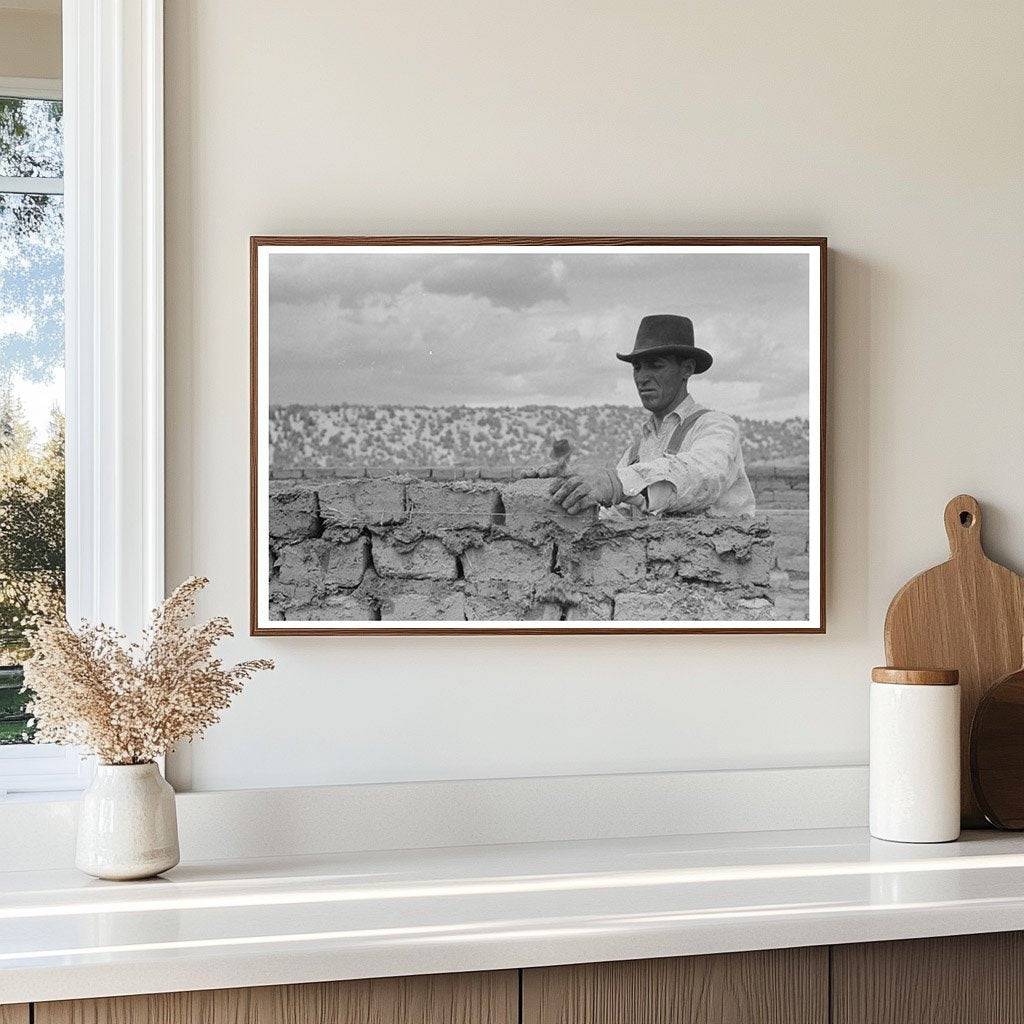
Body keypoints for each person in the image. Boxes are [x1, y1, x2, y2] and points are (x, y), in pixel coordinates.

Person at [549, 314, 755, 517]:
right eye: (637, 368)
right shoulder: (637, 451)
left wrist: (617, 483)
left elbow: (704, 474)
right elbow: (614, 514)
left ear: (687, 368)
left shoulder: (715, 427)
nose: (642, 378)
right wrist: (568, 495)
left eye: (655, 366)